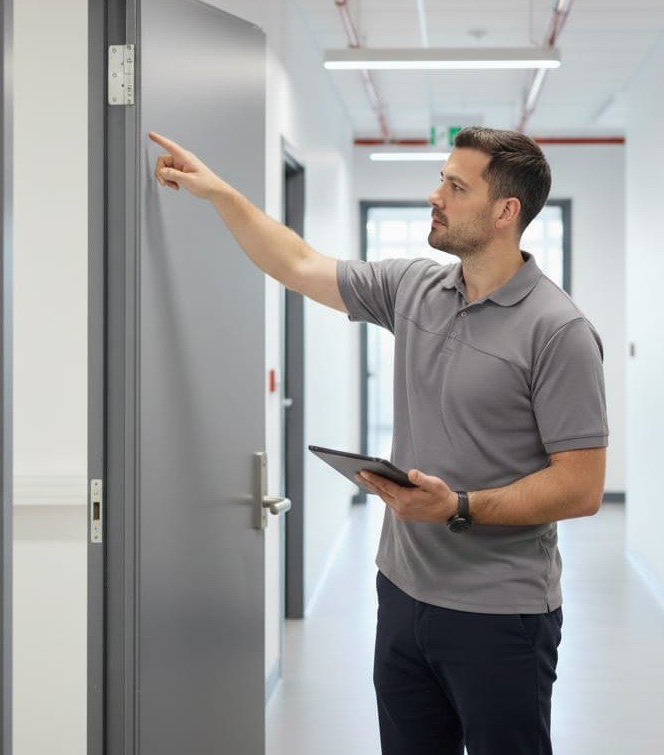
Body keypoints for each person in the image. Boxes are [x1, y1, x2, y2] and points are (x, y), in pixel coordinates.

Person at [149, 126, 608, 755]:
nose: (435, 196)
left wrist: (459, 507)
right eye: (440, 179)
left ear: (506, 212)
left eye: (455, 186)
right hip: (401, 595)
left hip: (502, 616)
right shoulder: (415, 287)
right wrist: (220, 192)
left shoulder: (560, 331)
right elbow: (297, 263)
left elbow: (581, 487)